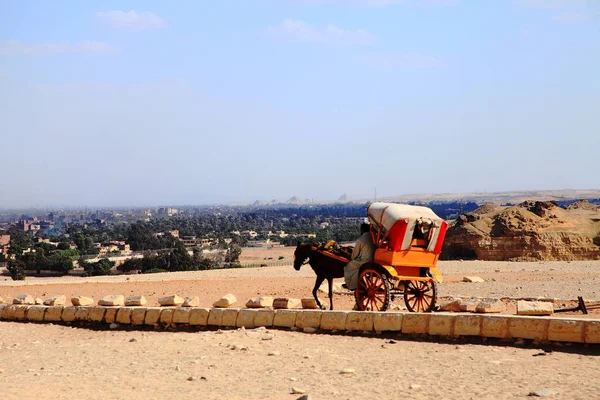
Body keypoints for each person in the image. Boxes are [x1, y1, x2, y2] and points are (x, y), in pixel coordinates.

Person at [343, 223, 376, 291]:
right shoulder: (374, 237)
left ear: (361, 230)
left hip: (365, 261)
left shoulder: (360, 240)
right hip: (375, 260)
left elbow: (354, 255)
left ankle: (351, 285)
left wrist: (351, 257)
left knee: (348, 267)